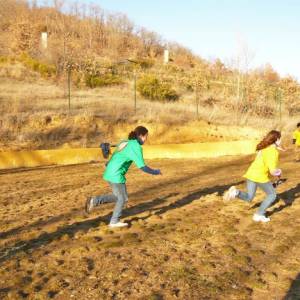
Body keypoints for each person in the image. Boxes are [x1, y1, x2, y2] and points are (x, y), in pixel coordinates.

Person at [85, 126, 162, 228]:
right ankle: (114, 221)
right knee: (122, 198)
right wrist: (155, 172)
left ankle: (94, 201)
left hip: (110, 172)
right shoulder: (135, 146)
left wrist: (108, 164)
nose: (146, 139)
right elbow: (142, 167)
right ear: (140, 136)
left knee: (118, 197)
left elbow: (116, 154)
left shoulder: (125, 141)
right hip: (116, 174)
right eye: (145, 136)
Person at [223, 130, 282, 223]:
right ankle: (259, 214)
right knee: (272, 195)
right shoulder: (273, 152)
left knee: (249, 197)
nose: (281, 140)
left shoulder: (264, 147)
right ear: (277, 139)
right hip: (260, 176)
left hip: (251, 173)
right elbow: (272, 171)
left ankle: (235, 192)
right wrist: (279, 172)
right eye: (280, 138)